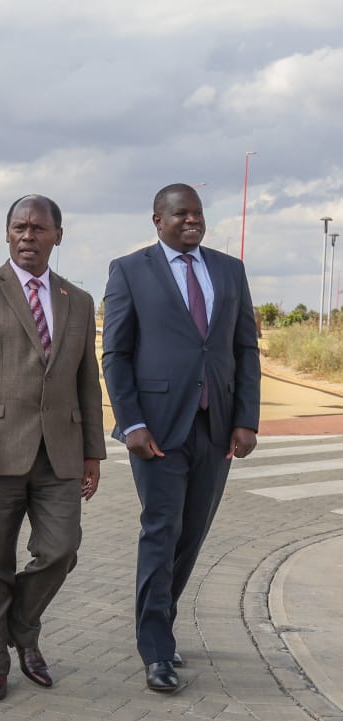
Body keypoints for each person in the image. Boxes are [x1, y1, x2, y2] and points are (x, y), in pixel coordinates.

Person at [0, 195, 106, 702]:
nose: (28, 236)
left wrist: (93, 453)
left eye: (39, 228)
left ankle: (19, 622)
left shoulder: (77, 300)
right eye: (19, 227)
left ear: (58, 235)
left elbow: (87, 380)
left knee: (61, 550)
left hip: (59, 452)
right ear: (6, 233)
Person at [102, 184, 260, 693]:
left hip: (215, 429)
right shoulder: (129, 271)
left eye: (198, 213)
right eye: (180, 214)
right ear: (157, 219)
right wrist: (131, 424)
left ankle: (160, 627)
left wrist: (246, 419)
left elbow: (245, 349)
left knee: (191, 534)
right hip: (157, 431)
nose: (192, 221)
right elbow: (117, 355)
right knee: (161, 531)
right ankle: (156, 649)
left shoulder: (229, 270)